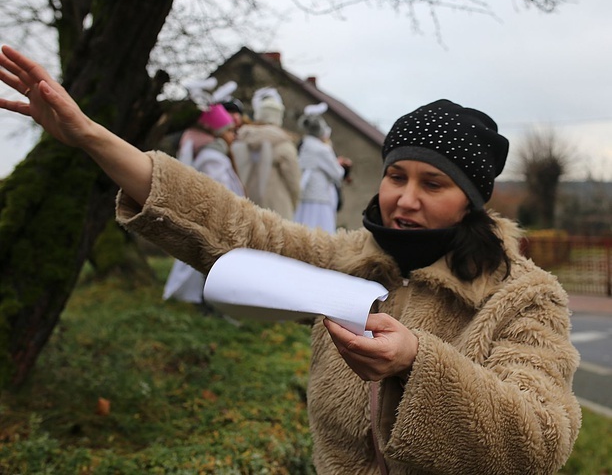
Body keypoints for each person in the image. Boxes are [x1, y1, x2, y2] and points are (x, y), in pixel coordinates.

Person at [0, 46, 581, 475]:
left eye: (433, 184)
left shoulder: (524, 298)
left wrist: (416, 361)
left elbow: (539, 439)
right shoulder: (352, 260)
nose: (405, 198)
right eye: (396, 176)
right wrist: (90, 137)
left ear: (473, 201)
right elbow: (232, 228)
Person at [163, 99, 245, 306]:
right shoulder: (212, 156)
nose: (234, 135)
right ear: (219, 133)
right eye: (230, 131)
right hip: (212, 216)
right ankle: (200, 298)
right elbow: (218, 188)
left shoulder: (215, 153)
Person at [231, 87, 301, 219]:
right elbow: (294, 180)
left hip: (244, 203)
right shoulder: (284, 144)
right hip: (276, 205)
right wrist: (295, 201)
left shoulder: (243, 138)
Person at [294, 102, 346, 233]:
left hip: (304, 197)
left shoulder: (304, 145)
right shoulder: (322, 149)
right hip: (319, 199)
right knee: (321, 233)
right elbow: (337, 173)